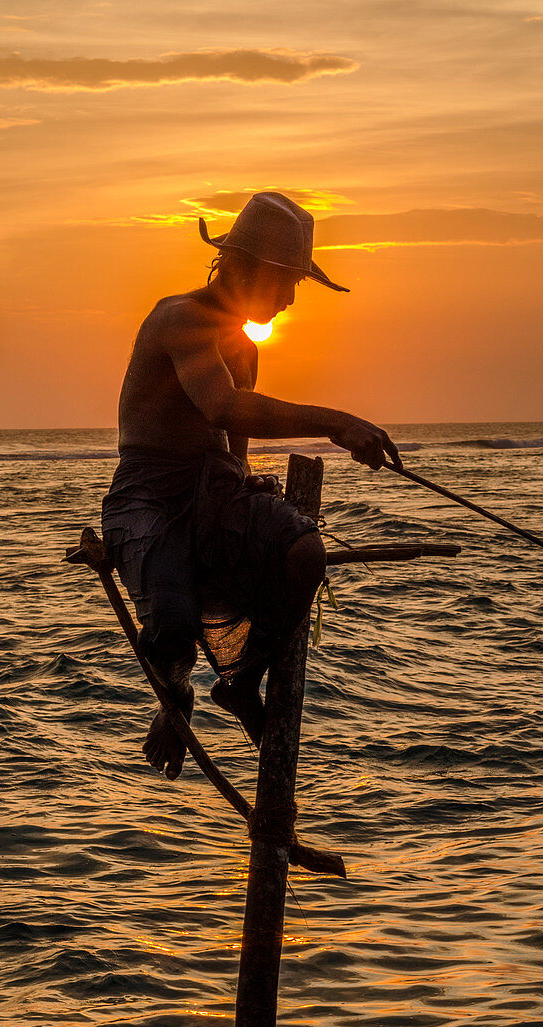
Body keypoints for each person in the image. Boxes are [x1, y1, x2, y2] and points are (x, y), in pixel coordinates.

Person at [102, 192, 401, 780]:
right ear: (240, 266)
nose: (289, 298)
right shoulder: (180, 318)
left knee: (303, 552)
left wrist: (243, 479)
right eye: (284, 280)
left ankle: (242, 681)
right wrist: (337, 422)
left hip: (211, 488)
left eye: (297, 284)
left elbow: (232, 442)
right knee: (173, 621)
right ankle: (176, 693)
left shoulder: (242, 341)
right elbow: (223, 407)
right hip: (148, 493)